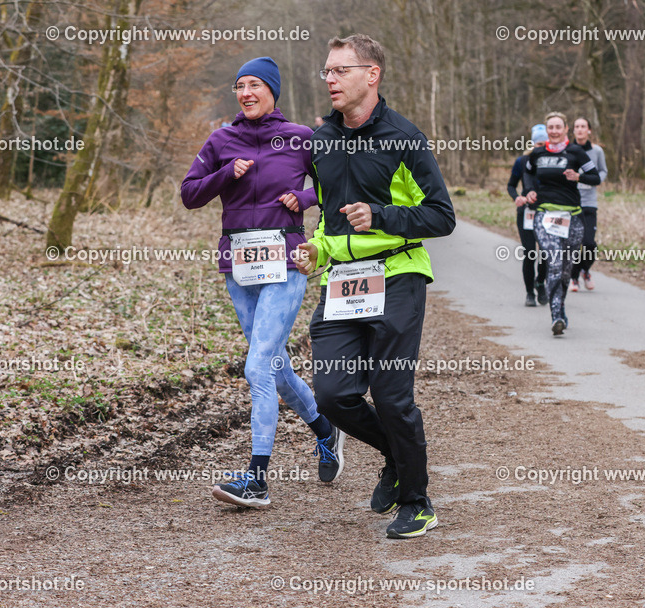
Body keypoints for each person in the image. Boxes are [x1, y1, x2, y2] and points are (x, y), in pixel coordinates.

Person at [292, 34, 455, 538]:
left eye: (340, 71)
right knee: (333, 394)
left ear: (372, 74)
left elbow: (441, 216)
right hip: (342, 281)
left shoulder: (403, 137)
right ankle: (395, 454)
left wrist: (381, 215)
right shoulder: (322, 141)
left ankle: (417, 500)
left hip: (399, 273)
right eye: (327, 72)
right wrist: (316, 250)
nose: (330, 80)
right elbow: (326, 218)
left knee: (390, 396)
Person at [181, 57, 345, 508]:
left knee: (256, 367)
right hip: (239, 264)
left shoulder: (300, 138)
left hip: (287, 262)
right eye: (239, 85)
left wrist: (306, 196)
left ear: (272, 91)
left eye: (255, 84)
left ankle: (256, 479)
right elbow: (189, 194)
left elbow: (337, 186)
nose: (246, 92)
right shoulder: (221, 140)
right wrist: (222, 175)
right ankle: (324, 428)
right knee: (272, 365)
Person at [524, 111, 601, 335]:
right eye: (551, 127)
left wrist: (579, 177)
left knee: (565, 271)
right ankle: (556, 315)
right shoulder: (537, 153)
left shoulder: (576, 152)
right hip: (545, 215)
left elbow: (595, 177)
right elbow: (528, 175)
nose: (555, 131)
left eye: (558, 127)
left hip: (573, 217)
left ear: (565, 129)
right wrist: (529, 191)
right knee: (555, 262)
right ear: (546, 130)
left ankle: (561, 306)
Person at [507, 124, 548, 307]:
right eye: (538, 143)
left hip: (546, 211)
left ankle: (541, 282)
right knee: (530, 253)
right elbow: (511, 185)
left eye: (544, 143)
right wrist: (517, 198)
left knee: (546, 252)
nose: (541, 146)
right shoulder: (522, 161)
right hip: (526, 212)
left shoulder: (551, 161)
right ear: (533, 143)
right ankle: (529, 292)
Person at [569, 117, 607, 291]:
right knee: (574, 244)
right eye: (577, 126)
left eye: (583, 126)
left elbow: (602, 171)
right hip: (571, 202)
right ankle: (574, 278)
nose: (580, 129)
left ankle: (585, 270)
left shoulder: (597, 151)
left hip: (589, 202)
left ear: (589, 130)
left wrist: (595, 180)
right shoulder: (568, 150)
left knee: (589, 244)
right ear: (572, 130)